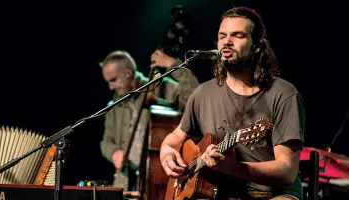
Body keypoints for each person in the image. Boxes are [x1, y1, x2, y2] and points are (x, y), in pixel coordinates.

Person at [160, 6, 305, 200]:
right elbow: (174, 139)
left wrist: (235, 168)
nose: (227, 42)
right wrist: (167, 154)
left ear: (257, 46)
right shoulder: (203, 94)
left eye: (238, 36)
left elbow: (287, 171)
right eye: (222, 36)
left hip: (271, 195)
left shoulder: (284, 94)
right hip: (219, 193)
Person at [99, 49, 200, 191]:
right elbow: (106, 142)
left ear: (128, 73)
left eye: (113, 80)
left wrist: (173, 64)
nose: (110, 87)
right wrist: (114, 152)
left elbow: (195, 97)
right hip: (127, 181)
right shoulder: (114, 106)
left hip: (160, 176)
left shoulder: (158, 86)